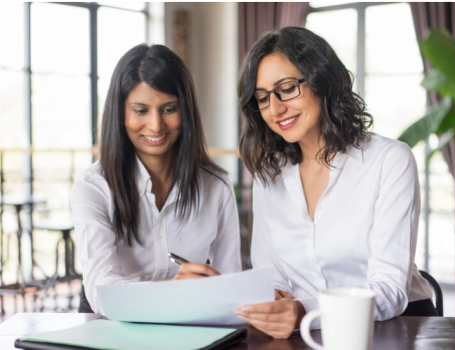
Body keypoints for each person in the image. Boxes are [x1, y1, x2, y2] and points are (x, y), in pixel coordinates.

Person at [235, 27, 436, 339]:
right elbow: (273, 280)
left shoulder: (389, 160)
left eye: (286, 89)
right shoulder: (269, 176)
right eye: (262, 98)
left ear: (322, 81)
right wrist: (268, 303)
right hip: (308, 333)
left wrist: (304, 310)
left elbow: (389, 289)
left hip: (393, 328)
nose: (274, 109)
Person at [71, 44, 241, 315]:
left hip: (189, 321)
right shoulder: (93, 187)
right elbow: (102, 292)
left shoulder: (216, 185)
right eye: (140, 110)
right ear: (121, 113)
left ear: (185, 111)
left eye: (169, 109)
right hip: (110, 326)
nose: (156, 125)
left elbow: (230, 280)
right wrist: (171, 290)